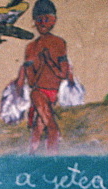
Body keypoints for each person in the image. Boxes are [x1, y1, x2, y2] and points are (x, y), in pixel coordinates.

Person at [15, 0, 73, 153]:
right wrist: (36, 67)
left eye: (46, 19)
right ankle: (53, 160)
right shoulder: (31, 47)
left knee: (38, 129)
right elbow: (32, 82)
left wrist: (48, 61)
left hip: (53, 94)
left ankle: (31, 156)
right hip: (39, 93)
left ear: (54, 20)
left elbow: (63, 74)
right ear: (34, 21)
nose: (42, 23)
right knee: (53, 129)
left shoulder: (59, 43)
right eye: (38, 20)